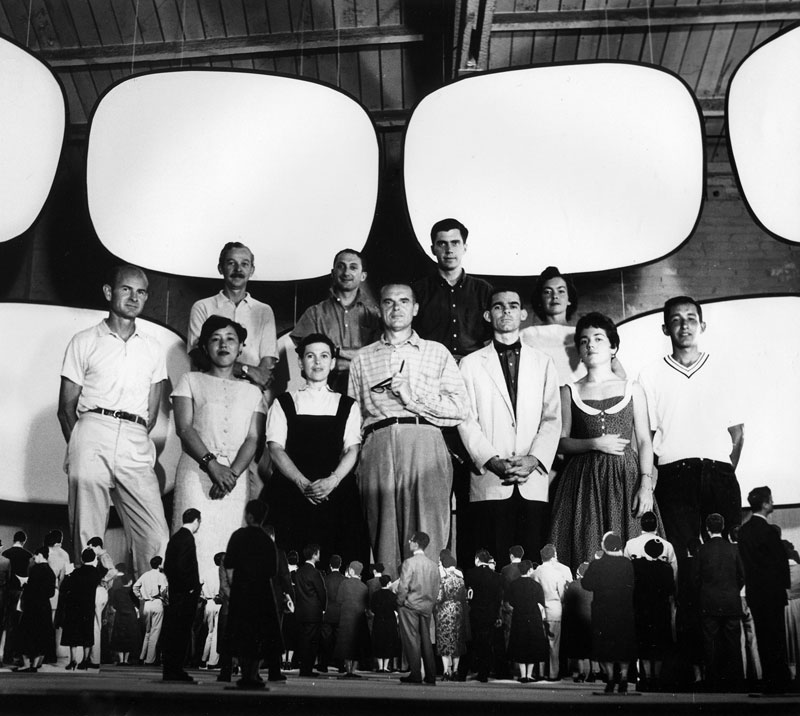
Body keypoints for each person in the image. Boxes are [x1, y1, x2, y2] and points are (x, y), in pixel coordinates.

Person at [57, 265, 170, 578]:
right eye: (126, 289)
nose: (134, 298)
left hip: (134, 435)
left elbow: (151, 411)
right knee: (88, 536)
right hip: (92, 430)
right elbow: (66, 407)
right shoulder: (84, 340)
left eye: (141, 292)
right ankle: (88, 601)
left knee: (156, 537)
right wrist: (82, 444)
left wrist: (129, 434)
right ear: (109, 292)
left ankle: (146, 599)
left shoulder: (153, 347)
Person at [349, 283, 469, 571]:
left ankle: (427, 598)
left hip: (425, 441)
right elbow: (354, 418)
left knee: (427, 537)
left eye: (403, 301)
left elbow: (459, 409)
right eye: (388, 302)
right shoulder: (362, 358)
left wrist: (412, 399)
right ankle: (386, 597)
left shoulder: (436, 352)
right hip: (378, 445)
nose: (396, 308)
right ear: (379, 309)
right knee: (383, 540)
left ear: (415, 309)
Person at [411, 218, 493, 569]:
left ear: (464, 246)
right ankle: (434, 570)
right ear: (432, 248)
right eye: (441, 243)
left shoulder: (483, 291)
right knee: (435, 486)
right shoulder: (420, 290)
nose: (448, 249)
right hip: (434, 389)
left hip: (475, 386)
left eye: (454, 243)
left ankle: (474, 571)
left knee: (474, 480)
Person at [458, 289, 561, 566]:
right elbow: (466, 420)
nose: (506, 311)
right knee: (491, 566)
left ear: (523, 314)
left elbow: (552, 418)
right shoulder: (469, 364)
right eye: (499, 307)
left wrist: (534, 459)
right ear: (487, 315)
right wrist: (491, 460)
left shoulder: (544, 362)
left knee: (531, 567)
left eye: (513, 306)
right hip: (491, 480)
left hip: (532, 480)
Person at [638, 296, 744, 558]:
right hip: (674, 476)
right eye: (676, 320)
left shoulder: (724, 369)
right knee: (683, 557)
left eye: (691, 319)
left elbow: (738, 433)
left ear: (702, 326)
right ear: (665, 329)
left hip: (719, 473)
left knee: (724, 558)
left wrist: (722, 469)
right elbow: (646, 437)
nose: (684, 326)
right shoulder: (650, 374)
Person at [550, 312, 656, 573]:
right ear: (579, 351)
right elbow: (561, 443)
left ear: (613, 347)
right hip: (583, 484)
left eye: (598, 339)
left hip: (626, 480)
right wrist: (595, 443)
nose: (591, 345)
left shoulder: (633, 388)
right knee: (587, 552)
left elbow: (644, 440)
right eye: (584, 341)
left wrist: (646, 484)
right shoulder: (569, 391)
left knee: (632, 555)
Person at [172, 315, 266, 570]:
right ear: (204, 347)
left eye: (230, 339)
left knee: (231, 546)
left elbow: (253, 438)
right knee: (192, 543)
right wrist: (212, 466)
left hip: (236, 478)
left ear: (240, 347)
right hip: (196, 472)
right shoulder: (190, 380)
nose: (223, 345)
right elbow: (184, 428)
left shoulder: (253, 392)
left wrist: (231, 475)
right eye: (215, 339)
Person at [267, 333, 366, 566]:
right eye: (310, 356)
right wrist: (302, 483)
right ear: (301, 362)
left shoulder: (348, 405)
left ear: (332, 363)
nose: (318, 362)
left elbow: (352, 450)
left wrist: (332, 481)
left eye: (324, 356)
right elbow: (276, 449)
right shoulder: (283, 402)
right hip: (292, 492)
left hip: (336, 494)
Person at [186, 242, 277, 391]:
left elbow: (267, 361)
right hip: (210, 390)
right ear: (220, 268)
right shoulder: (202, 307)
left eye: (244, 264)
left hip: (252, 391)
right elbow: (199, 356)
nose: (238, 269)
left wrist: (252, 392)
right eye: (231, 263)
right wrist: (248, 370)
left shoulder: (264, 311)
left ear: (252, 270)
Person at [290, 248, 381, 393]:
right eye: (341, 266)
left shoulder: (375, 315)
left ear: (363, 276)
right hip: (325, 392)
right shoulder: (314, 314)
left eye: (353, 267)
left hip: (367, 392)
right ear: (333, 273)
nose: (346, 273)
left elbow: (378, 359)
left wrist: (338, 355)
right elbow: (312, 360)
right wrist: (359, 361)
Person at [521, 266, 626, 385]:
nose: (555, 296)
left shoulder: (584, 335)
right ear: (540, 300)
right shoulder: (526, 335)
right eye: (547, 292)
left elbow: (619, 374)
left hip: (580, 394)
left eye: (561, 291)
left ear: (569, 299)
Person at [224, 500, 283, 689]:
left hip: (241, 590)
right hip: (261, 592)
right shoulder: (267, 541)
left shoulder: (238, 536)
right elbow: (272, 570)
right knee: (259, 634)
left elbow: (228, 563)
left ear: (249, 516)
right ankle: (253, 674)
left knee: (241, 633)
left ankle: (245, 674)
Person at [738, 486, 792, 692]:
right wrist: (784, 587)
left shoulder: (744, 531)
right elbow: (780, 562)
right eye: (770, 499)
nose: (773, 502)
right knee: (777, 638)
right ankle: (781, 680)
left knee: (762, 637)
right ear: (764, 503)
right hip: (773, 592)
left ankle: (770, 680)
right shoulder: (769, 531)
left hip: (755, 591)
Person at [582, 532, 637, 694]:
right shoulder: (627, 564)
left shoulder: (597, 565)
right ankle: (624, 677)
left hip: (603, 610)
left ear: (604, 546)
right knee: (624, 645)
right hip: (624, 610)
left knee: (605, 645)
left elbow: (586, 584)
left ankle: (611, 678)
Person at [694, 513, 744, 689]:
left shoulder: (701, 550)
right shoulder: (734, 549)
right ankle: (736, 682)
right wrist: (733, 589)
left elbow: (696, 578)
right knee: (733, 643)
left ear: (707, 529)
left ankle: (713, 682)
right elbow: (742, 575)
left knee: (711, 643)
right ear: (723, 527)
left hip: (709, 601)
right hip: (731, 601)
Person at [162, 508, 202, 682]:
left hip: (175, 592)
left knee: (174, 632)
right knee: (182, 632)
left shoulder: (176, 538)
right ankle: (176, 669)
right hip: (185, 595)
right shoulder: (187, 539)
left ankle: (171, 669)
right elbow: (183, 566)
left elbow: (170, 566)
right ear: (197, 521)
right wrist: (191, 588)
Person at [396, 531, 440, 685]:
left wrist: (400, 602)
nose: (409, 542)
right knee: (426, 641)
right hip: (426, 607)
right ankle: (431, 675)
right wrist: (430, 604)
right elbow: (436, 589)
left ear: (415, 543)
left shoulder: (409, 563)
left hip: (410, 606)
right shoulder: (433, 565)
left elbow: (403, 586)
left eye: (411, 540)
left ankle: (416, 674)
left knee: (412, 640)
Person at [630, 539, 675, 690]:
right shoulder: (666, 568)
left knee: (644, 644)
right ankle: (656, 677)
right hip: (661, 611)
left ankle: (647, 676)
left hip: (643, 610)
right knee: (659, 645)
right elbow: (671, 590)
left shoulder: (637, 566)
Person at [533, 544, 573, 680]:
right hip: (555, 610)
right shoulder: (557, 573)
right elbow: (562, 594)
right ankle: (553, 673)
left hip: (539, 610)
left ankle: (539, 672)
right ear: (553, 556)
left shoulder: (535, 573)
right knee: (554, 644)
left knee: (540, 643)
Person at [58, 547, 101, 670]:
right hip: (88, 606)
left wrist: (67, 575)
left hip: (74, 606)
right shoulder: (96, 573)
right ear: (94, 558)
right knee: (87, 633)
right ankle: (85, 660)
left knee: (73, 634)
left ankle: (73, 660)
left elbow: (64, 588)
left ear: (82, 559)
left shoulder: (75, 572)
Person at [465, 548, 505, 683]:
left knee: (471, 643)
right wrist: (497, 615)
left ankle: (465, 671)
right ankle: (483, 673)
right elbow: (498, 598)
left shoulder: (470, 573)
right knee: (486, 644)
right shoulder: (496, 576)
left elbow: (468, 593)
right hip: (490, 614)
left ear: (477, 559)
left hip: (474, 613)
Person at [506, 559, 547, 683]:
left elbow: (510, 602)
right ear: (530, 570)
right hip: (534, 617)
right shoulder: (536, 585)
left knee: (520, 644)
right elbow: (541, 603)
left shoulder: (514, 584)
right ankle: (529, 675)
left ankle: (523, 674)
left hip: (519, 617)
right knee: (532, 645)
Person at [16, 546, 56, 673]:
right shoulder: (50, 571)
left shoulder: (35, 569)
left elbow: (31, 589)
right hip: (45, 607)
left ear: (40, 555)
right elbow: (51, 593)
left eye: (36, 555)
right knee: (41, 636)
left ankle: (26, 664)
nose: (34, 558)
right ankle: (35, 664)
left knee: (26, 634)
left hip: (33, 607)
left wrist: (24, 584)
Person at [293, 543, 327, 678]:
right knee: (312, 642)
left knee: (303, 641)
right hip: (313, 612)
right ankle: (307, 669)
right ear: (314, 554)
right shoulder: (315, 573)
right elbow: (322, 592)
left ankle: (303, 668)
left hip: (301, 611)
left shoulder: (299, 572)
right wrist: (323, 608)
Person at [435, 549, 467, 680]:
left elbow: (439, 597)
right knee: (457, 642)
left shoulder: (444, 580)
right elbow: (464, 597)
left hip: (445, 612)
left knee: (445, 642)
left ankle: (445, 671)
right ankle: (455, 670)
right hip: (458, 611)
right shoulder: (461, 580)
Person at [2, 531, 32, 666]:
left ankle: (5, 656)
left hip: (5, 591)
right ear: (24, 541)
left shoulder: (5, 554)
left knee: (4, 623)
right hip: (20, 592)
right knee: (17, 625)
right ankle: (14, 655)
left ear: (14, 540)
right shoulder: (28, 555)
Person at [334, 560, 369, 678]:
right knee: (357, 645)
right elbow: (366, 603)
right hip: (359, 618)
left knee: (346, 644)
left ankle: (348, 670)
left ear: (351, 570)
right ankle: (353, 671)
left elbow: (338, 600)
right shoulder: (364, 586)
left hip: (346, 617)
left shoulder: (344, 584)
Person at [87, 535, 117, 667]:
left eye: (91, 547)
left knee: (96, 625)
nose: (90, 550)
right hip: (103, 592)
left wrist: (102, 580)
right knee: (98, 625)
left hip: (101, 591)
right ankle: (96, 657)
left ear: (97, 546)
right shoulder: (103, 557)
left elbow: (113, 571)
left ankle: (95, 658)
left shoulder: (104, 557)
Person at [133, 555, 168, 665]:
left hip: (147, 604)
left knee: (147, 632)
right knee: (155, 632)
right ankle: (149, 660)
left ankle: (142, 656)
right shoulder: (161, 576)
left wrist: (141, 597)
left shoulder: (145, 575)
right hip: (157, 603)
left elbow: (135, 587)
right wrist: (164, 598)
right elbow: (164, 589)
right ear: (159, 565)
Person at [624, 511, 678, 581]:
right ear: (656, 526)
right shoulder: (667, 545)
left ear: (641, 526)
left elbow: (626, 572)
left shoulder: (630, 544)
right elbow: (674, 574)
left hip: (639, 586)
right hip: (661, 586)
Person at [108, 564, 140, 666]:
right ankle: (126, 660)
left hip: (120, 616)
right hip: (131, 616)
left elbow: (113, 605)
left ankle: (121, 660)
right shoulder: (133, 592)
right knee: (129, 637)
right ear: (130, 581)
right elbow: (138, 604)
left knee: (119, 638)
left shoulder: (117, 592)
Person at [320, 554, 345, 673]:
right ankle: (341, 665)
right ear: (340, 565)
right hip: (340, 613)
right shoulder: (344, 580)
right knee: (340, 640)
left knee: (326, 640)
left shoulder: (325, 579)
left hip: (328, 613)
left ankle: (324, 664)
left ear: (330, 565)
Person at [371, 574, 400, 673]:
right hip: (390, 621)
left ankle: (380, 666)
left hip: (378, 620)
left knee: (379, 642)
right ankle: (385, 666)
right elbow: (396, 608)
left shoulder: (375, 595)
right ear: (389, 583)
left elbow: (373, 608)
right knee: (388, 642)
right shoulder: (392, 596)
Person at [199, 552, 223, 669]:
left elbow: (199, 584)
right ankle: (213, 662)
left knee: (210, 632)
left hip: (208, 603)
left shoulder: (207, 572)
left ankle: (203, 660)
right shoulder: (222, 572)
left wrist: (203, 595)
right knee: (217, 633)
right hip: (219, 603)